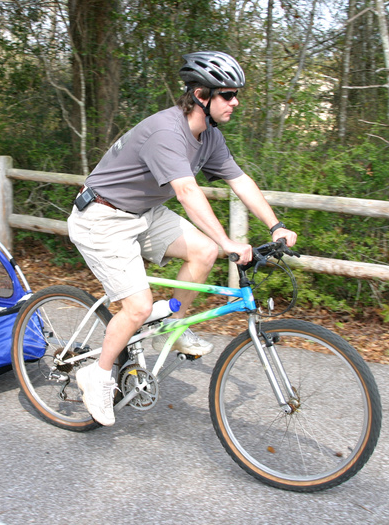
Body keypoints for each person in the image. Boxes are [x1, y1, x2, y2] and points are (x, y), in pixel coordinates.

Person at [68, 51, 298, 426]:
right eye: (227, 94)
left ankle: (171, 328)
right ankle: (96, 374)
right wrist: (229, 241)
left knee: (204, 251)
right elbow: (188, 193)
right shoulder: (167, 132)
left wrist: (275, 226)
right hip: (102, 217)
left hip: (143, 212)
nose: (235, 101)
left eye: (236, 94)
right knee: (138, 307)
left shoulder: (209, 137)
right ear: (201, 96)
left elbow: (240, 181)